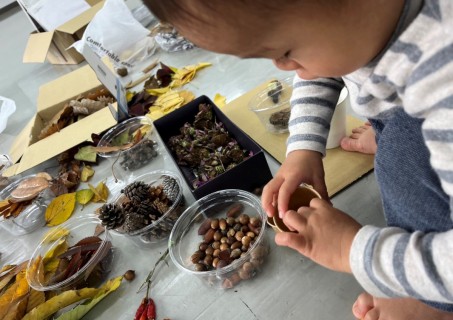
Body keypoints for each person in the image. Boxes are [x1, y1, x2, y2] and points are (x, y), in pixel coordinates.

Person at [143, 1, 453, 319]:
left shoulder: (444, 77)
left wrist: (356, 252)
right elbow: (321, 69)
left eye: (287, 52)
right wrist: (303, 147)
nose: (285, 68)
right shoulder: (359, 25)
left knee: (401, 149)